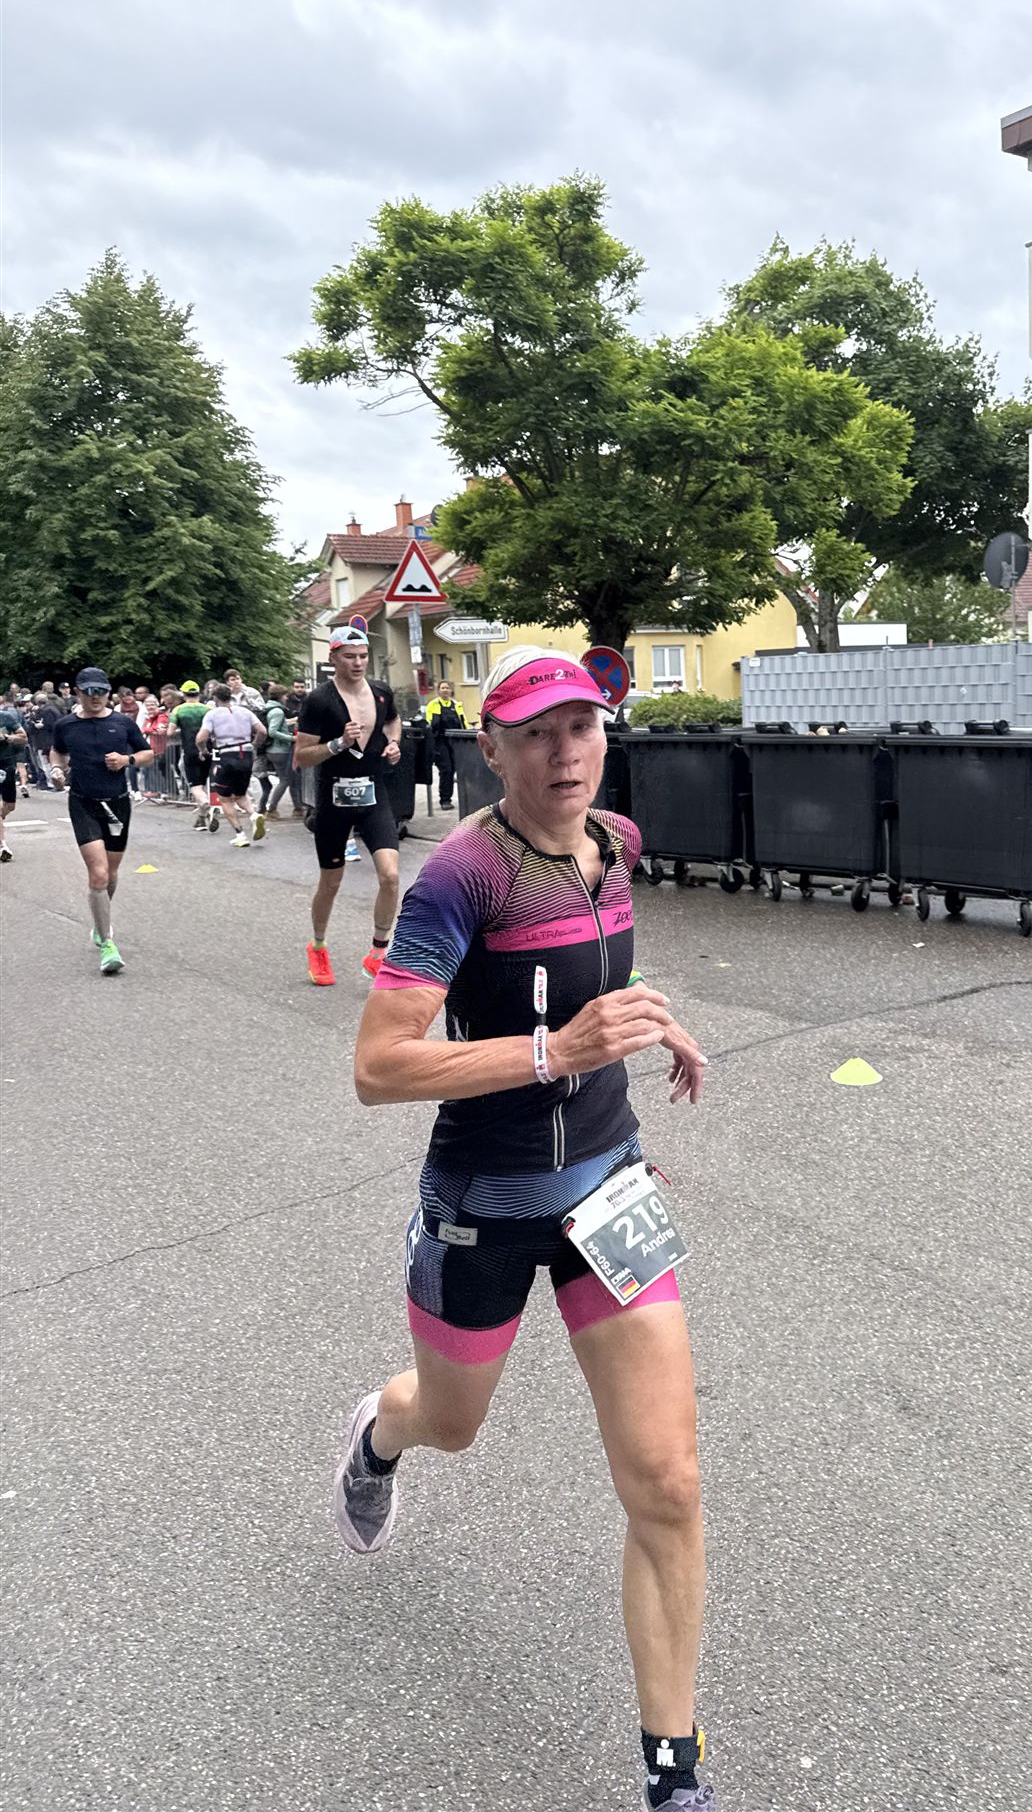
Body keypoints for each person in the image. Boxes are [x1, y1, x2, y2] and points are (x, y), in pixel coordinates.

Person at [333, 645, 714, 1811]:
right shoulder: (461, 878)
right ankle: (379, 1435)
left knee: (669, 1481)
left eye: (582, 727)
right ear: (492, 752)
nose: (564, 753)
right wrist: (559, 1051)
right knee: (451, 1425)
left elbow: (588, 985)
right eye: (536, 734)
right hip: (484, 1202)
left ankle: (673, 1771)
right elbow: (379, 1066)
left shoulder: (618, 846)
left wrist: (650, 1023)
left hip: (609, 1185)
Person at [292, 627, 403, 985]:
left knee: (390, 876)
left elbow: (393, 721)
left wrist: (393, 743)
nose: (358, 663)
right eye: (349, 656)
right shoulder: (319, 700)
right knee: (331, 881)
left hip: (373, 793)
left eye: (363, 656)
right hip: (333, 797)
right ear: (333, 658)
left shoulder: (381, 692)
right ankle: (318, 946)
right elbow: (302, 756)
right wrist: (338, 743)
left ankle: (378, 953)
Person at [48, 666, 153, 974]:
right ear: (77, 692)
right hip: (83, 802)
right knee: (98, 874)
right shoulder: (66, 725)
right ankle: (107, 944)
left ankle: (99, 922)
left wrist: (126, 760)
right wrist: (57, 770)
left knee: (112, 873)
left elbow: (147, 754)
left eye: (101, 691)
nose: (95, 697)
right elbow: (57, 752)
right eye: (89, 691)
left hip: (117, 803)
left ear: (108, 693)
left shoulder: (122, 723)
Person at [197, 684, 267, 847]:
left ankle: (240, 835)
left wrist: (203, 750)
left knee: (225, 798)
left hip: (227, 754)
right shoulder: (245, 711)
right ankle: (254, 814)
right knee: (240, 794)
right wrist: (254, 745)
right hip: (246, 754)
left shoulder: (212, 714)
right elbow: (263, 731)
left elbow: (200, 738)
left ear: (215, 698)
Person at [168, 681, 214, 828]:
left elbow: (170, 732)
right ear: (198, 693)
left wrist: (182, 730)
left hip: (190, 750)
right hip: (207, 749)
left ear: (183, 694)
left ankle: (207, 804)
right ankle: (202, 818)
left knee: (195, 786)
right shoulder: (208, 709)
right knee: (203, 783)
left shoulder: (178, 710)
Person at [260, 683, 302, 818]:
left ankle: (298, 808)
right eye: (285, 695)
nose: (286, 698)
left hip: (274, 750)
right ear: (279, 696)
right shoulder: (277, 711)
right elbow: (272, 731)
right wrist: (291, 738)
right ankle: (271, 809)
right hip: (280, 750)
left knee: (293, 779)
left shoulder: (269, 708)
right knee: (285, 780)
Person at [425, 679, 466, 810]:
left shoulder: (456, 705)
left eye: (447, 688)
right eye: (442, 688)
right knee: (446, 769)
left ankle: (462, 798)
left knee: (456, 769)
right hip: (440, 741)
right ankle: (445, 799)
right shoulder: (433, 705)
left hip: (455, 742)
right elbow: (430, 724)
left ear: (451, 690)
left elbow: (463, 722)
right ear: (438, 691)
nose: (445, 690)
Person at [0, 696, 27, 860]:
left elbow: (23, 737)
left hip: (6, 764)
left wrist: (6, 738)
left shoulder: (6, 717)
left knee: (10, 806)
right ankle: (2, 846)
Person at [139, 695, 171, 800]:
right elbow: (144, 729)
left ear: (157, 704)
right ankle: (153, 790)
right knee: (148, 769)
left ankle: (162, 791)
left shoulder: (161, 716)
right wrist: (149, 730)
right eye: (147, 705)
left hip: (159, 748)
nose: (150, 707)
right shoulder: (149, 718)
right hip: (149, 748)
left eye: (152, 704)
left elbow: (160, 730)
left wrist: (147, 730)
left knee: (157, 770)